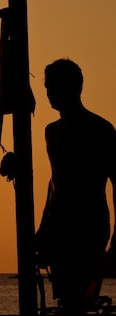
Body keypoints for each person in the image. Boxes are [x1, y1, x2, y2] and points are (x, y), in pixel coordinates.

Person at [36, 58, 116, 315]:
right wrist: (43, 228)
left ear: (74, 87)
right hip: (59, 228)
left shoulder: (101, 129)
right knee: (68, 303)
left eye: (53, 86)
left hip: (89, 227)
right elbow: (54, 182)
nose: (48, 92)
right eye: (47, 86)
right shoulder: (51, 131)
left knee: (79, 303)